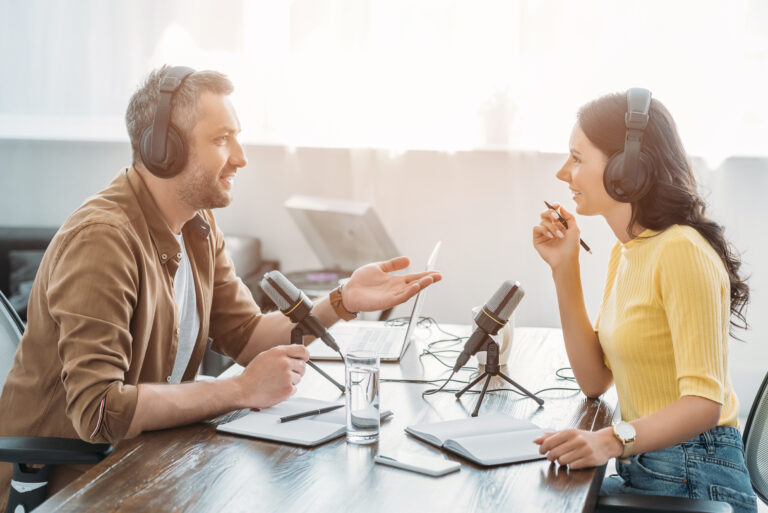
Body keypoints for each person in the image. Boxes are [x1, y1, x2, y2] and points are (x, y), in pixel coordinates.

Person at [0, 66, 441, 506]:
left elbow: (248, 336)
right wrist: (239, 389)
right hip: (70, 486)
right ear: (163, 149)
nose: (241, 157)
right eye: (221, 138)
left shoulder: (197, 225)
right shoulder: (102, 239)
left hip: (150, 460)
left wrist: (343, 300)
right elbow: (98, 413)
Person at [531, 89, 757, 513]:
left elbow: (704, 403)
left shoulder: (681, 250)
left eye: (577, 158)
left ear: (626, 168)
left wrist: (607, 440)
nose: (564, 173)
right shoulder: (629, 250)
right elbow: (595, 381)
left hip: (696, 474)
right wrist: (565, 267)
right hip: (651, 465)